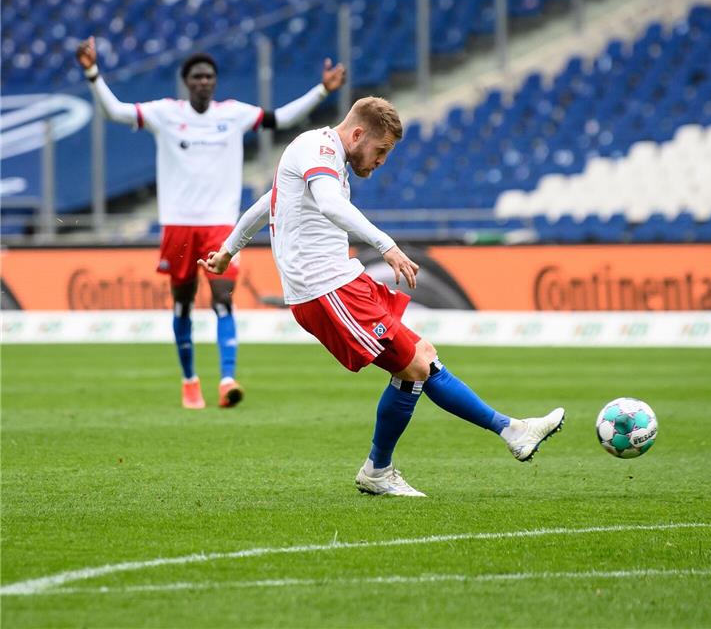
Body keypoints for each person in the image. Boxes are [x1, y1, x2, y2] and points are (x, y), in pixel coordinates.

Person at [200, 97, 565, 497]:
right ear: (357, 134)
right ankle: (504, 433)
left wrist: (229, 250)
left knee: (420, 357)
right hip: (325, 289)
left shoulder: (322, 155)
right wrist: (386, 245)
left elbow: (265, 203)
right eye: (381, 150)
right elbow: (329, 204)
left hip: (341, 281)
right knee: (415, 365)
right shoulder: (318, 151)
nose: (381, 161)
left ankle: (398, 463)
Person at [75, 37, 345, 410]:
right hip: (179, 226)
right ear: (187, 82)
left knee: (223, 302)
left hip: (221, 227)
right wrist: (92, 73)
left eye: (209, 76)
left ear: (215, 83)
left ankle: (227, 379)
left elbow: (280, 118)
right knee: (183, 306)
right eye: (197, 76)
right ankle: (189, 381)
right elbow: (115, 112)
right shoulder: (165, 113)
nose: (204, 81)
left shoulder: (232, 114)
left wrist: (321, 90)